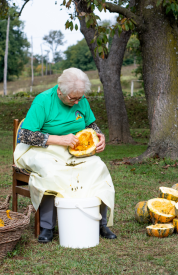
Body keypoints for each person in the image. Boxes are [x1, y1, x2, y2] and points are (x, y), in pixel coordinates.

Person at [14, 68, 116, 243]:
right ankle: (47, 226)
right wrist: (58, 139)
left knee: (98, 168)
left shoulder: (81, 100)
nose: (77, 102)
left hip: (73, 149)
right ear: (60, 91)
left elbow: (91, 125)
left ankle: (100, 222)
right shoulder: (43, 101)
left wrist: (100, 136)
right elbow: (25, 135)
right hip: (41, 149)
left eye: (80, 98)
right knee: (51, 172)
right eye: (73, 99)